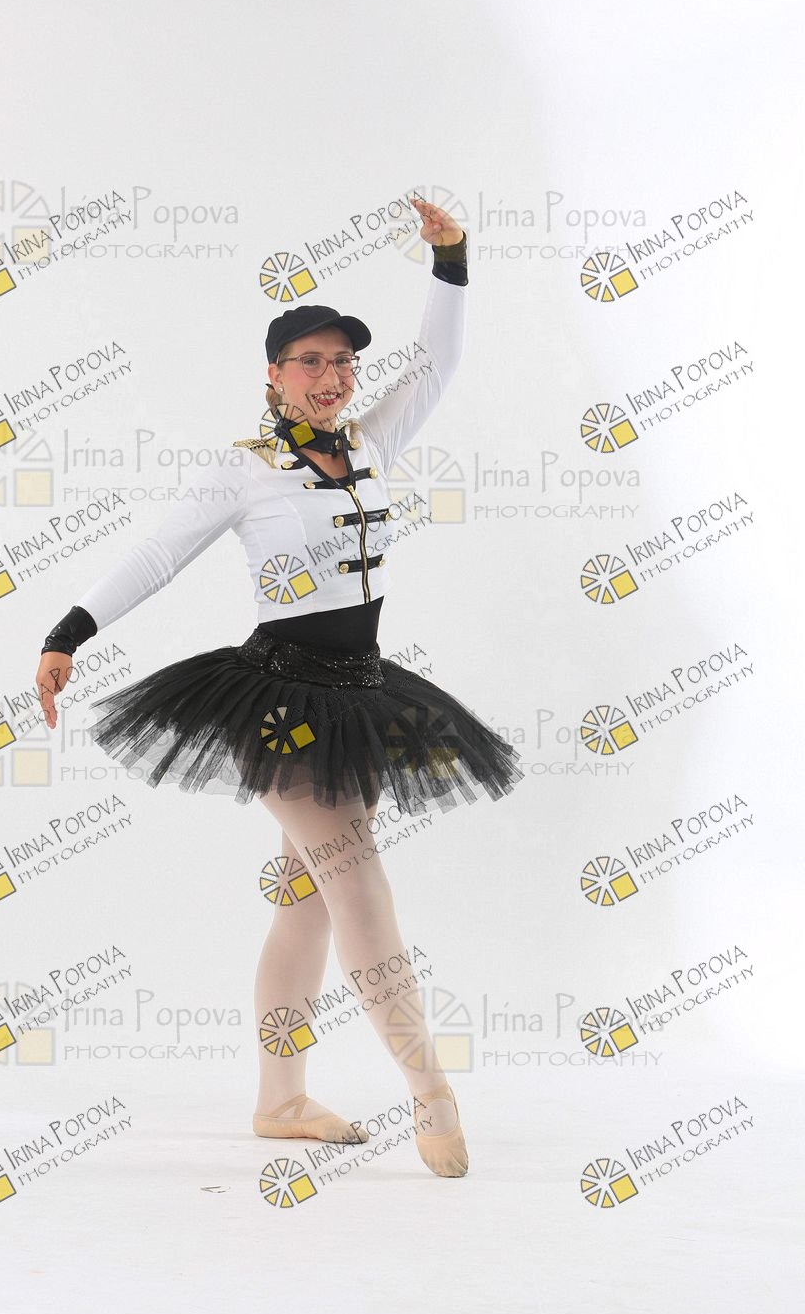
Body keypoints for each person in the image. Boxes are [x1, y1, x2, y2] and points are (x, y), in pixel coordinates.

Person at [36, 194, 524, 1178]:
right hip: (281, 700)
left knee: (306, 899)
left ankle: (280, 1100)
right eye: (310, 361)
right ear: (273, 373)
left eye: (343, 362)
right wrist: (69, 633)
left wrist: (450, 260)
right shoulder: (246, 468)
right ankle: (430, 1090)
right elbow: (160, 553)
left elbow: (440, 361)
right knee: (360, 888)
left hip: (363, 694)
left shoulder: (372, 443)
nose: (331, 377)